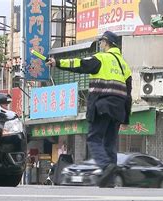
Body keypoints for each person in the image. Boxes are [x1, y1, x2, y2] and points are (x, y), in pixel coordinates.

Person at [46, 31, 132, 187]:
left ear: (106, 43)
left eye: (101, 42)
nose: (100, 44)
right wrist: (126, 118)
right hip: (118, 110)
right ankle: (110, 180)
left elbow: (79, 64)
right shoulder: (124, 65)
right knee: (110, 143)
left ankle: (106, 166)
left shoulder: (101, 58)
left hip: (102, 106)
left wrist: (57, 63)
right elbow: (129, 94)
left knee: (93, 139)